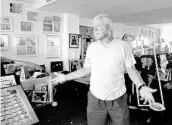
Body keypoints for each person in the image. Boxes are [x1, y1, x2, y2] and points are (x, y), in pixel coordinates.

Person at [51, 14, 156, 125]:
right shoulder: (92, 47)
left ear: (108, 29)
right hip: (95, 100)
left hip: (118, 99)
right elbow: (86, 69)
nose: (94, 29)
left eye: (99, 26)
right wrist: (66, 77)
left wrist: (141, 86)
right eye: (94, 26)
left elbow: (131, 69)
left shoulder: (123, 46)